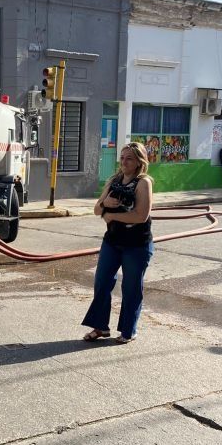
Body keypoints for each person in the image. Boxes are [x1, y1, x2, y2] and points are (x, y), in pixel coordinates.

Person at [81, 142, 153, 344]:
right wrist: (105, 204)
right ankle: (100, 327)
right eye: (122, 157)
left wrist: (112, 216)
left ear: (139, 161)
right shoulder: (114, 180)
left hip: (137, 245)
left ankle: (128, 331)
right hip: (112, 242)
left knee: (131, 288)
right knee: (102, 283)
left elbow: (141, 216)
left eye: (129, 158)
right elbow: (97, 210)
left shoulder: (143, 182)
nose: (124, 162)